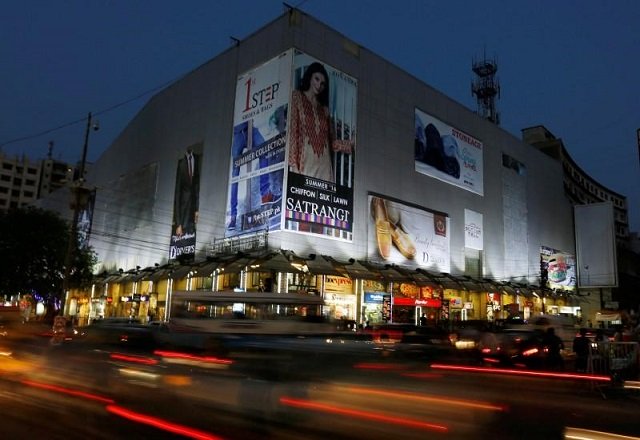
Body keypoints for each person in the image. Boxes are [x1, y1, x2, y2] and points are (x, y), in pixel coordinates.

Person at [288, 62, 353, 182]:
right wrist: (294, 168)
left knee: (324, 199)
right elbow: (293, 133)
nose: (319, 85)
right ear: (310, 77)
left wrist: (351, 143)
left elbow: (331, 142)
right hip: (305, 164)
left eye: (322, 83)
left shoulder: (324, 110)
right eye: (316, 79)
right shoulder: (296, 97)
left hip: (324, 166)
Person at [173, 148, 200, 237]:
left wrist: (197, 209)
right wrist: (178, 224)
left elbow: (196, 186)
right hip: (183, 214)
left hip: (193, 215)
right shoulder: (181, 164)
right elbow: (177, 194)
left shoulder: (197, 159)